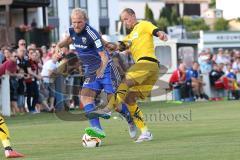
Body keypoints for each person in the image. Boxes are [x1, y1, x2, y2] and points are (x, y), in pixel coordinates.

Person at [87, 8, 168, 142]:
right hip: (151, 70)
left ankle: (109, 108)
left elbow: (155, 30)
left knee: (125, 82)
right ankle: (145, 132)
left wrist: (161, 34)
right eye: (123, 20)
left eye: (126, 18)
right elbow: (118, 46)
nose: (125, 22)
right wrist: (101, 40)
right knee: (130, 99)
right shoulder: (131, 36)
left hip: (146, 63)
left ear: (133, 15)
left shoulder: (143, 24)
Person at [55, 8, 133, 139]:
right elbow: (65, 42)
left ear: (85, 21)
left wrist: (101, 71)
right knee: (85, 98)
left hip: (106, 69)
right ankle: (97, 129)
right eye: (73, 22)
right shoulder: (72, 31)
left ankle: (130, 119)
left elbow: (104, 57)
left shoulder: (92, 34)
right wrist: (59, 49)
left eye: (79, 22)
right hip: (91, 72)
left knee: (115, 105)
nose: (76, 25)